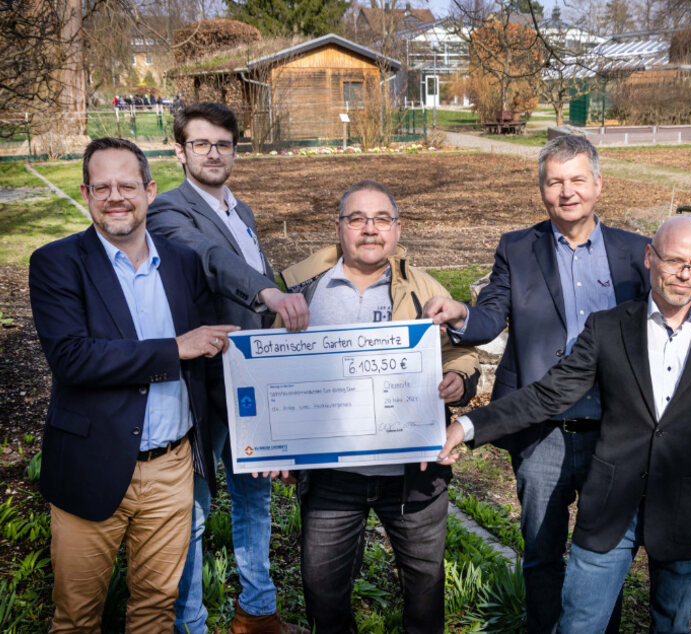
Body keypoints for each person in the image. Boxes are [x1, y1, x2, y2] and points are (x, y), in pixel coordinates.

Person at [438, 216, 691, 634]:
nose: (685, 274)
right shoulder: (609, 328)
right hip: (609, 507)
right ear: (649, 257)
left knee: (672, 625)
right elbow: (548, 393)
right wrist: (466, 426)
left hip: (683, 507)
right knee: (580, 624)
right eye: (675, 260)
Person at [423, 134, 650, 632]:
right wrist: (460, 312)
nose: (566, 192)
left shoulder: (637, 253)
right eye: (554, 182)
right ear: (542, 189)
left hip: (614, 430)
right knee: (541, 551)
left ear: (597, 183)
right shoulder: (518, 248)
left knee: (603, 555)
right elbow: (489, 317)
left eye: (576, 180)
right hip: (540, 427)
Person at [29, 137, 237, 632]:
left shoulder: (182, 263)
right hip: (92, 465)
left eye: (127, 185)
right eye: (102, 187)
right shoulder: (58, 263)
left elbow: (208, 355)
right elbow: (73, 358)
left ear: (149, 190)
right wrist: (175, 347)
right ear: (86, 193)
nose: (115, 197)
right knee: (77, 617)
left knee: (155, 612)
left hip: (171, 471)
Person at [277, 179, 480, 633]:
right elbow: (278, 375)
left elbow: (461, 352)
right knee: (323, 592)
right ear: (339, 228)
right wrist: (280, 447)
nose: (370, 229)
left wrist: (458, 379)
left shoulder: (424, 288)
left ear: (397, 228)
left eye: (381, 219)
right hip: (332, 478)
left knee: (424, 590)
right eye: (357, 219)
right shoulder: (305, 293)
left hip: (413, 475)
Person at [147, 102, 308, 634]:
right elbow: (210, 261)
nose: (213, 153)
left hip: (252, 379)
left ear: (236, 150)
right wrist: (266, 290)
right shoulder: (167, 210)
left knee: (255, 497)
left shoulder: (243, 210)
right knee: (191, 511)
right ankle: (189, 623)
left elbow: (256, 275)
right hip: (203, 382)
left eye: (223, 144)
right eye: (201, 143)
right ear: (180, 151)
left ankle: (257, 613)